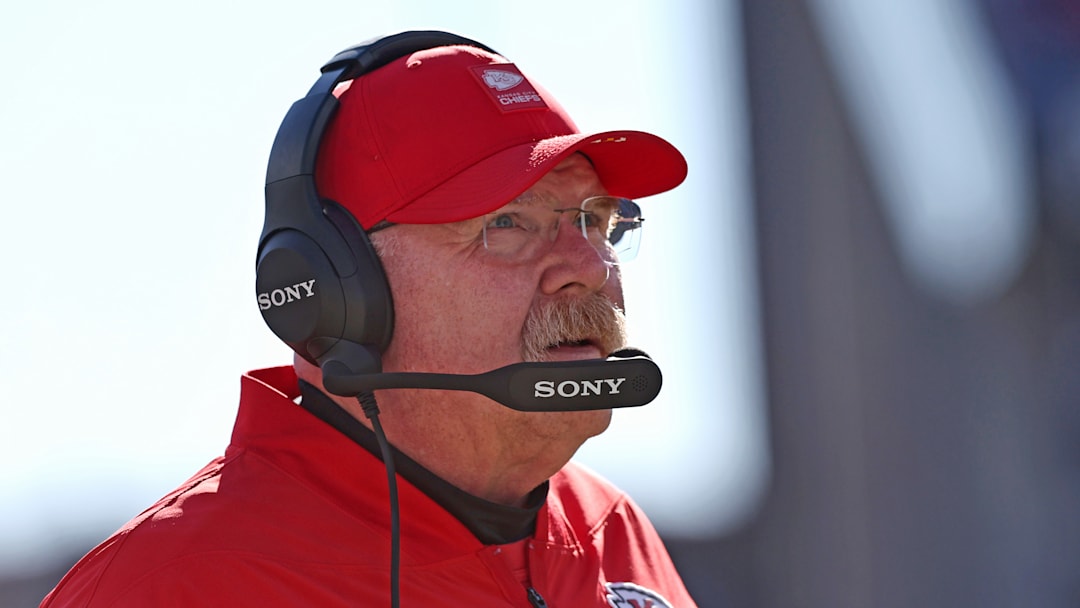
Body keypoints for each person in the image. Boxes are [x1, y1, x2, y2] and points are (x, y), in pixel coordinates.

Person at [42, 31, 695, 607]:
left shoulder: (609, 532)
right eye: (507, 223)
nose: (588, 265)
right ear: (333, 292)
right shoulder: (173, 588)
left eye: (598, 222)